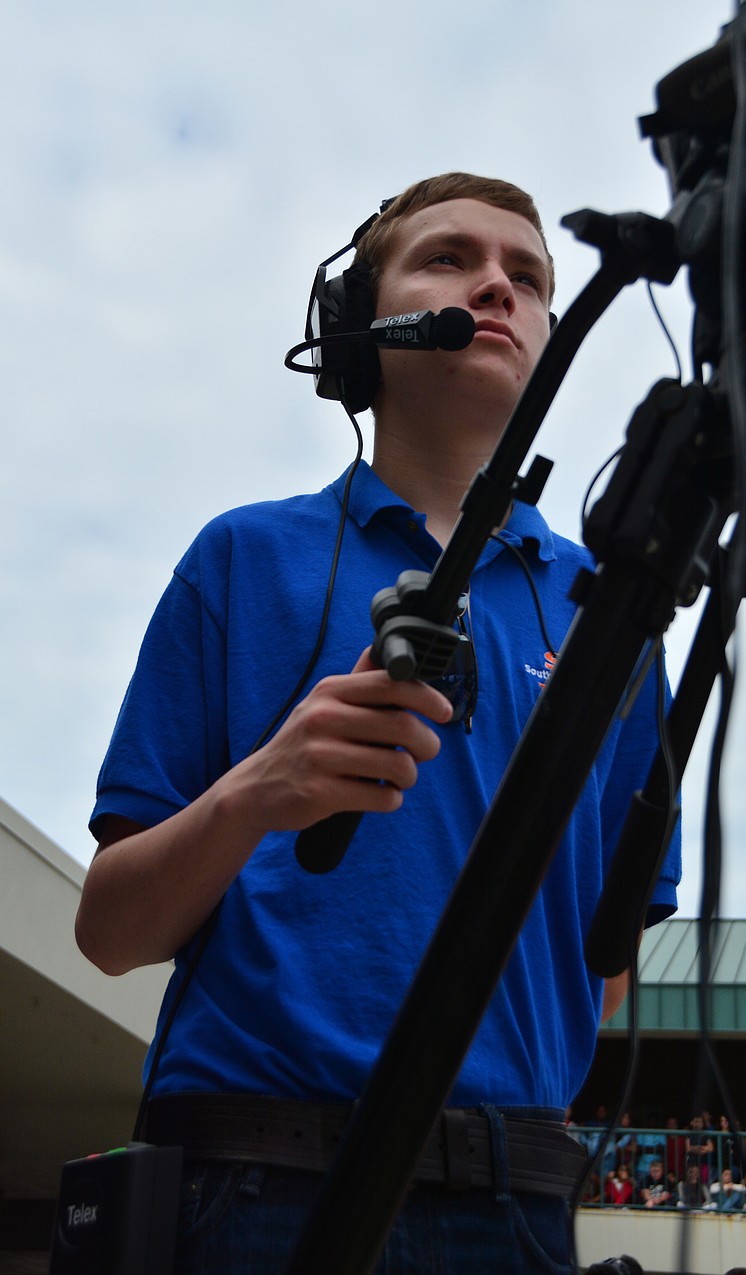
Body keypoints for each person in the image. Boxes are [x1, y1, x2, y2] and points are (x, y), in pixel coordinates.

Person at [75, 172, 681, 1274]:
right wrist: (262, 789)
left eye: (529, 276)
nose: (496, 283)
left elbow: (606, 955)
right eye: (449, 258)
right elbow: (111, 933)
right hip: (254, 1188)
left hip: (519, 1199)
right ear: (365, 327)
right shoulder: (241, 560)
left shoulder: (618, 617)